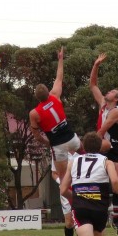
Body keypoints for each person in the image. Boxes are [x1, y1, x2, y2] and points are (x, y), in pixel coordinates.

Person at [29, 46, 81, 183]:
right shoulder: (55, 96)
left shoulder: (34, 113)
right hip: (72, 138)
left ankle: (71, 203)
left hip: (58, 145)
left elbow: (37, 136)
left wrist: (48, 142)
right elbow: (59, 77)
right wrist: (60, 59)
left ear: (36, 97)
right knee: (90, 157)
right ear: (48, 91)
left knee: (63, 179)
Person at [89, 52, 118, 236]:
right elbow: (93, 84)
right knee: (101, 183)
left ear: (116, 98)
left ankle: (117, 221)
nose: (108, 91)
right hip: (101, 148)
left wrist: (87, 146)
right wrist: (96, 65)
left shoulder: (116, 112)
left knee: (117, 183)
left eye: (112, 91)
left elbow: (102, 132)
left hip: (111, 149)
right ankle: (98, 216)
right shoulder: (103, 104)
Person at [51, 157, 82, 236]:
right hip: (65, 191)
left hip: (79, 189)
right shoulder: (57, 154)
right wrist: (62, 183)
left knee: (80, 219)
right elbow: (54, 173)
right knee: (69, 223)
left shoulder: (80, 151)